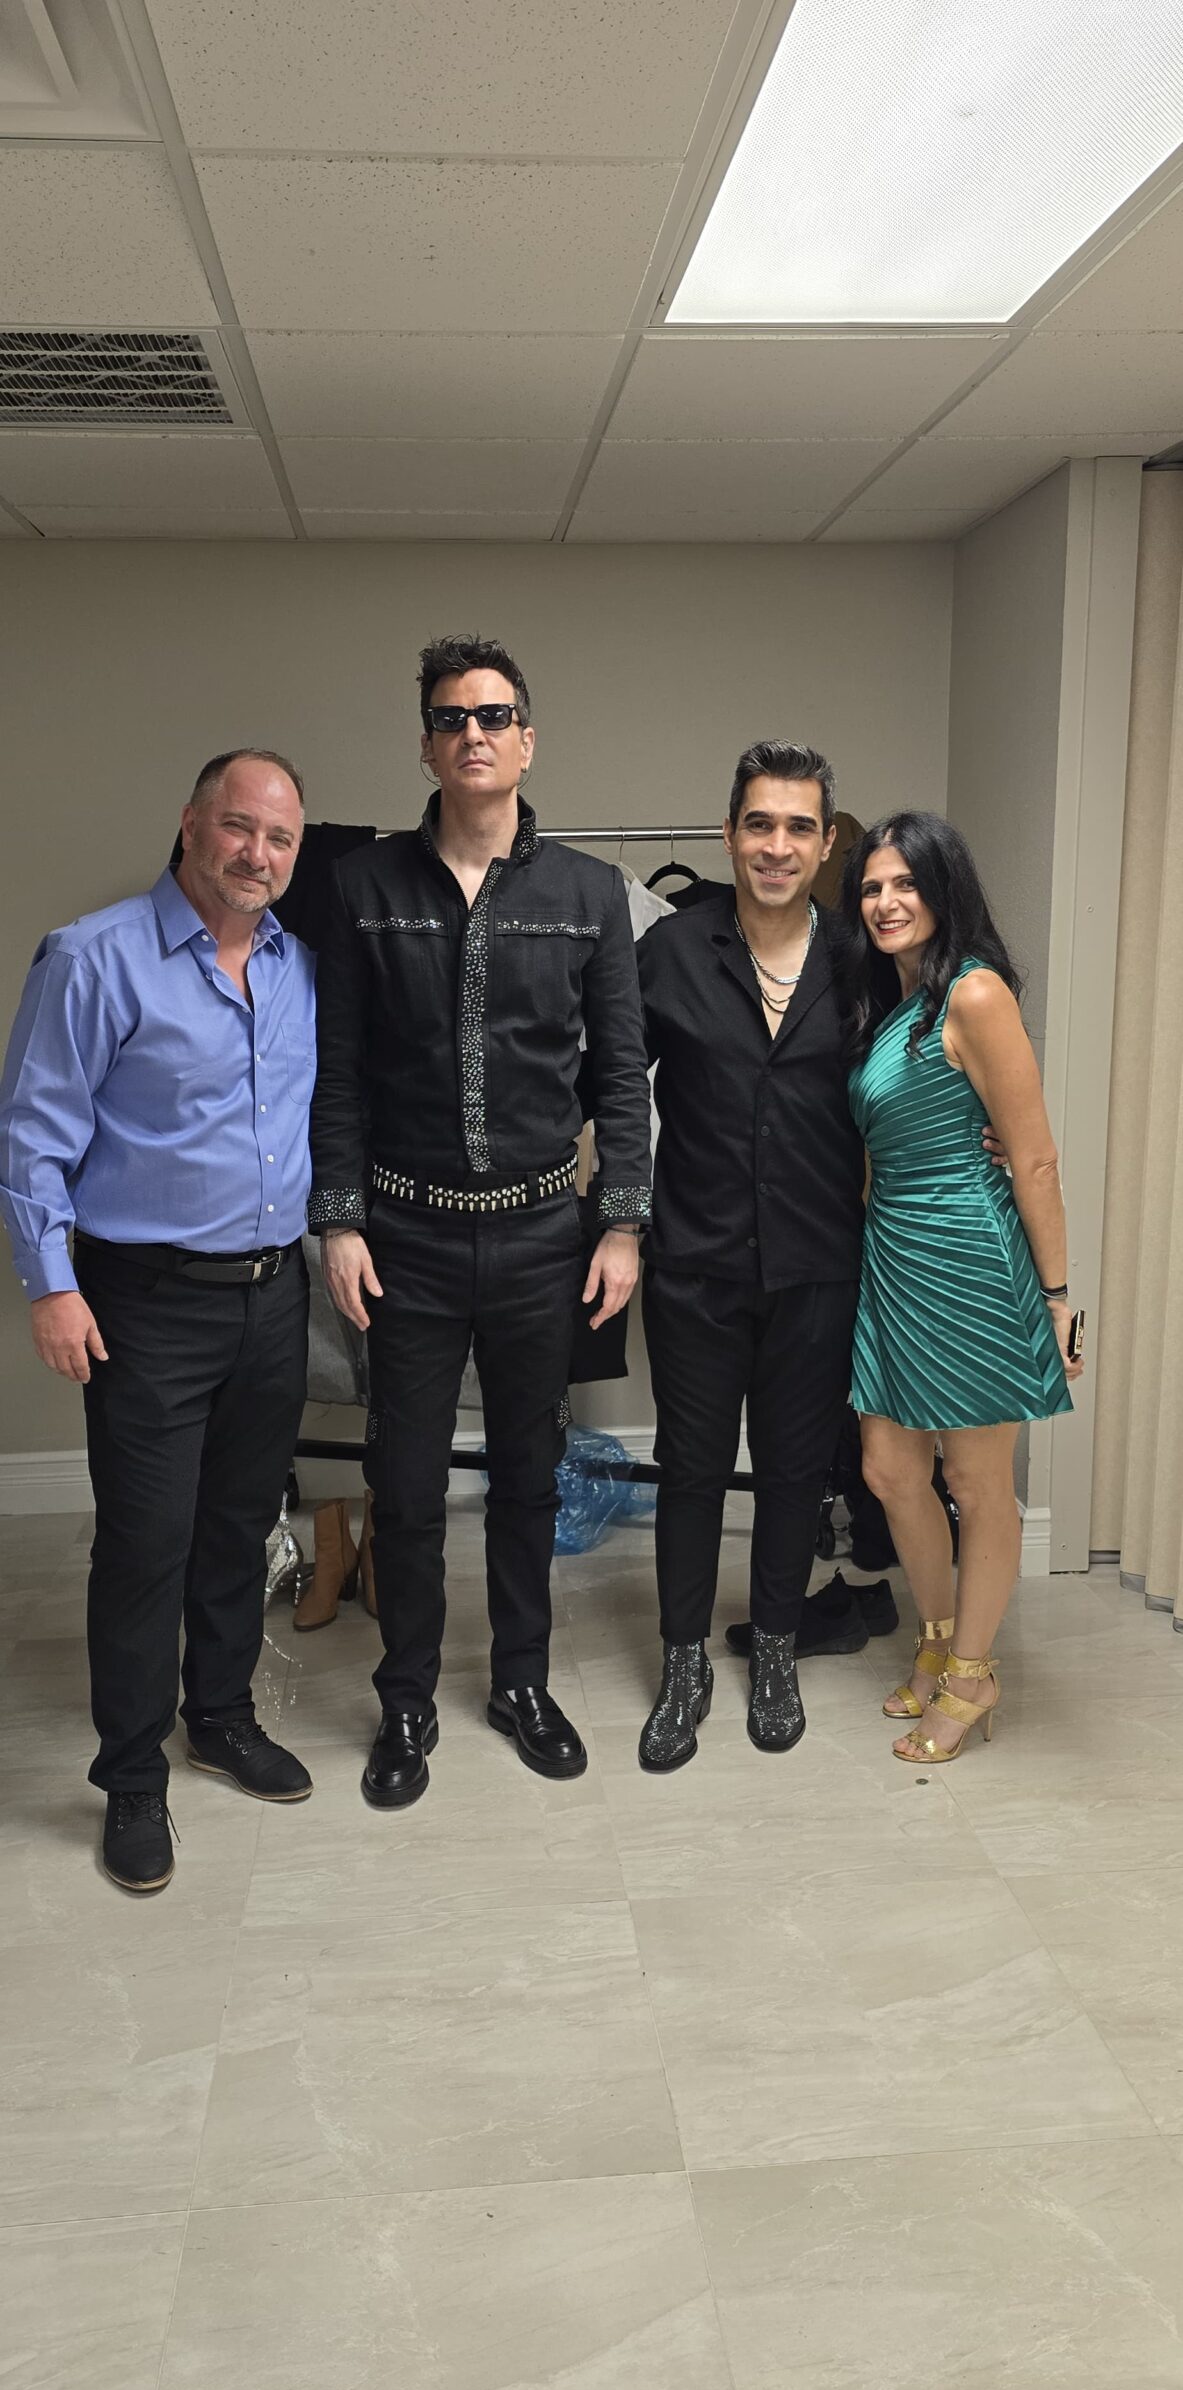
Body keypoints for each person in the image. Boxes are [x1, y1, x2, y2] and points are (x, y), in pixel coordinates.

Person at [309, 634, 652, 1810]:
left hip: (540, 1238)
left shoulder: (588, 894)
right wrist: (339, 1220)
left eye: (494, 715)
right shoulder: (363, 888)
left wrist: (620, 1224)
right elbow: (337, 1071)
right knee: (405, 1485)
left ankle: (520, 1683)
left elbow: (621, 1077)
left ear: (526, 740)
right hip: (400, 1238)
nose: (474, 733)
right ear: (426, 744)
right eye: (453, 717)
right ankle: (405, 1698)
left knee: (526, 1477)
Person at [0, 752, 317, 1891]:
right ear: (190, 825)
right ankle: (132, 1775)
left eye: (278, 839)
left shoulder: (296, 967)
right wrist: (51, 1286)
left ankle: (219, 1717)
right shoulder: (93, 958)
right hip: (145, 1303)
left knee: (239, 1525)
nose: (256, 855)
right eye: (238, 828)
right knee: (145, 1546)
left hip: (274, 1295)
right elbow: (31, 1134)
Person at [634, 740, 867, 1769]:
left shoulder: (861, 961)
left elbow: (918, 1078)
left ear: (824, 844)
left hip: (818, 1266)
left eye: (798, 827)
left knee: (792, 1471)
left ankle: (774, 1647)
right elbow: (603, 1084)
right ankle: (683, 1660)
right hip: (694, 1264)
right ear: (728, 834)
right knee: (689, 1470)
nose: (777, 845)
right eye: (759, 824)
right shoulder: (671, 949)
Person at [842, 813, 1083, 1762]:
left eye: (905, 883)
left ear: (945, 890)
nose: (885, 902)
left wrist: (1057, 1299)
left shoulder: (975, 994)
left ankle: (973, 1674)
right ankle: (937, 1640)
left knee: (976, 1483)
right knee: (888, 1470)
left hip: (970, 1258)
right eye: (870, 887)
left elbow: (1034, 1159)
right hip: (895, 1255)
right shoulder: (894, 1001)